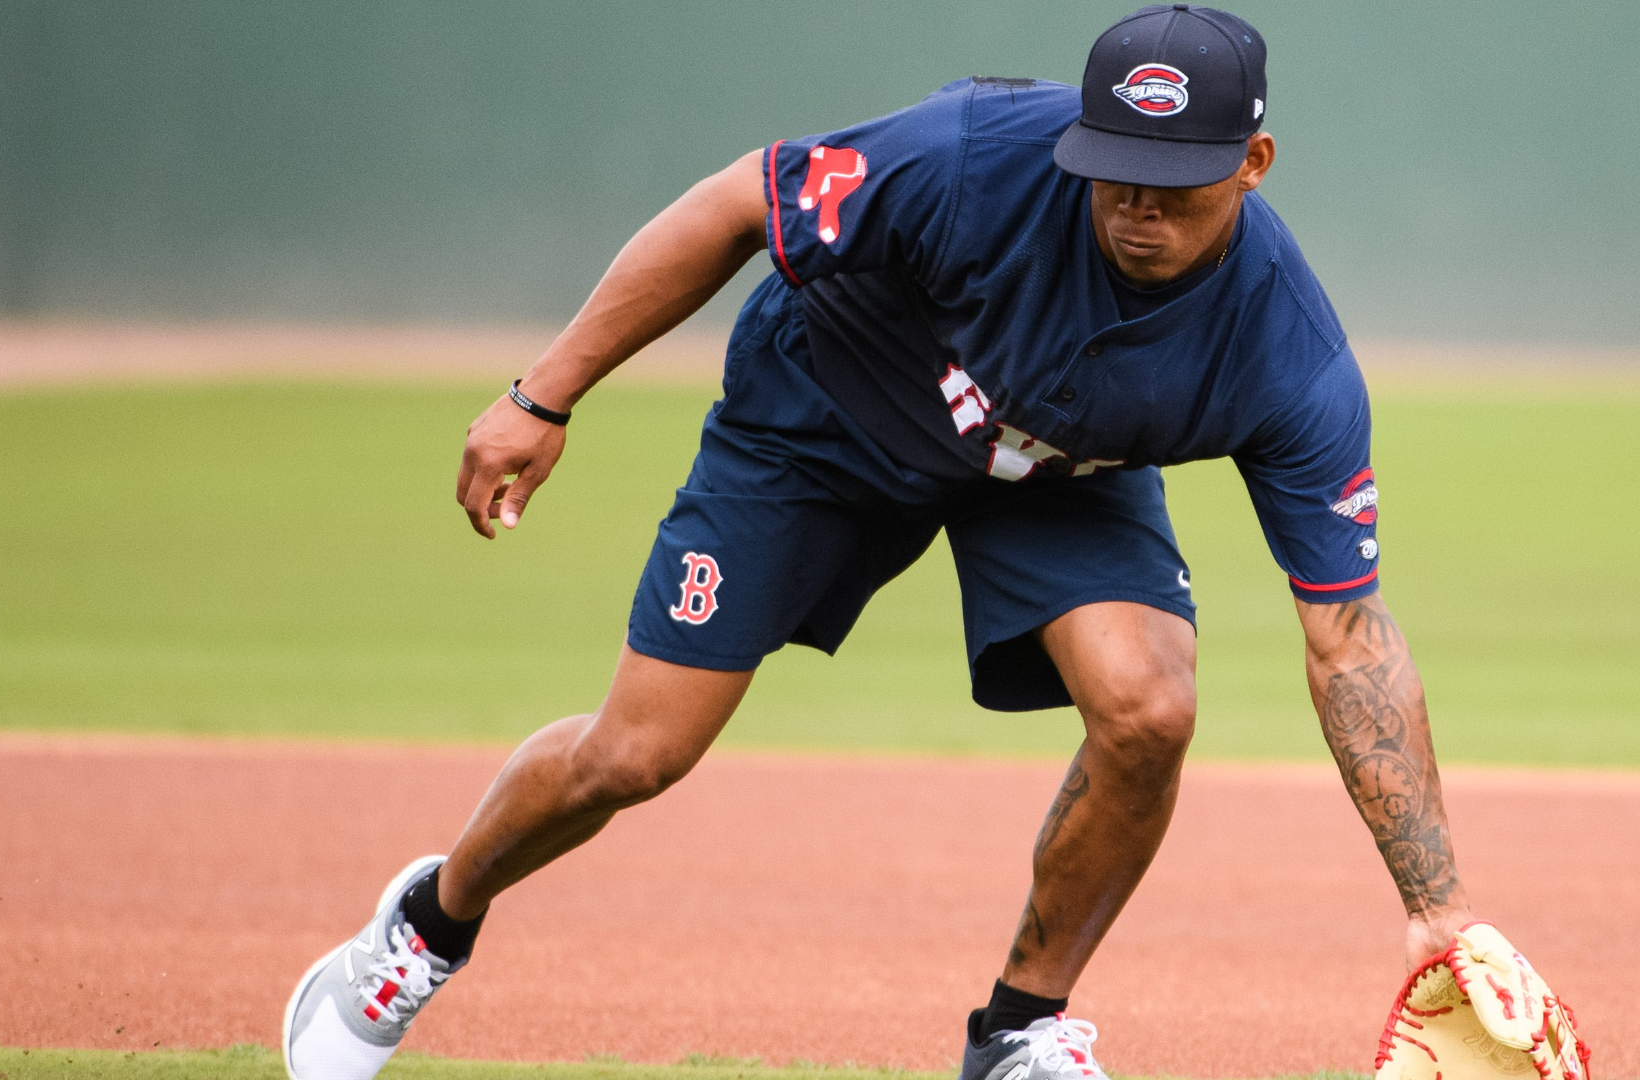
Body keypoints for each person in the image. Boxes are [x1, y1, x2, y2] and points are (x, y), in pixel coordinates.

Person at [284, 7, 1479, 1079]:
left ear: (1255, 165)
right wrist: (542, 398)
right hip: (827, 415)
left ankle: (1017, 1032)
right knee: (637, 754)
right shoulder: (970, 156)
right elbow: (734, 205)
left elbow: (1349, 634)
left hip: (1051, 469)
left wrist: (1438, 908)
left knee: (1150, 705)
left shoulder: (1289, 355)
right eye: (1116, 174)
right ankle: (427, 923)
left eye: (1178, 182)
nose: (1139, 208)